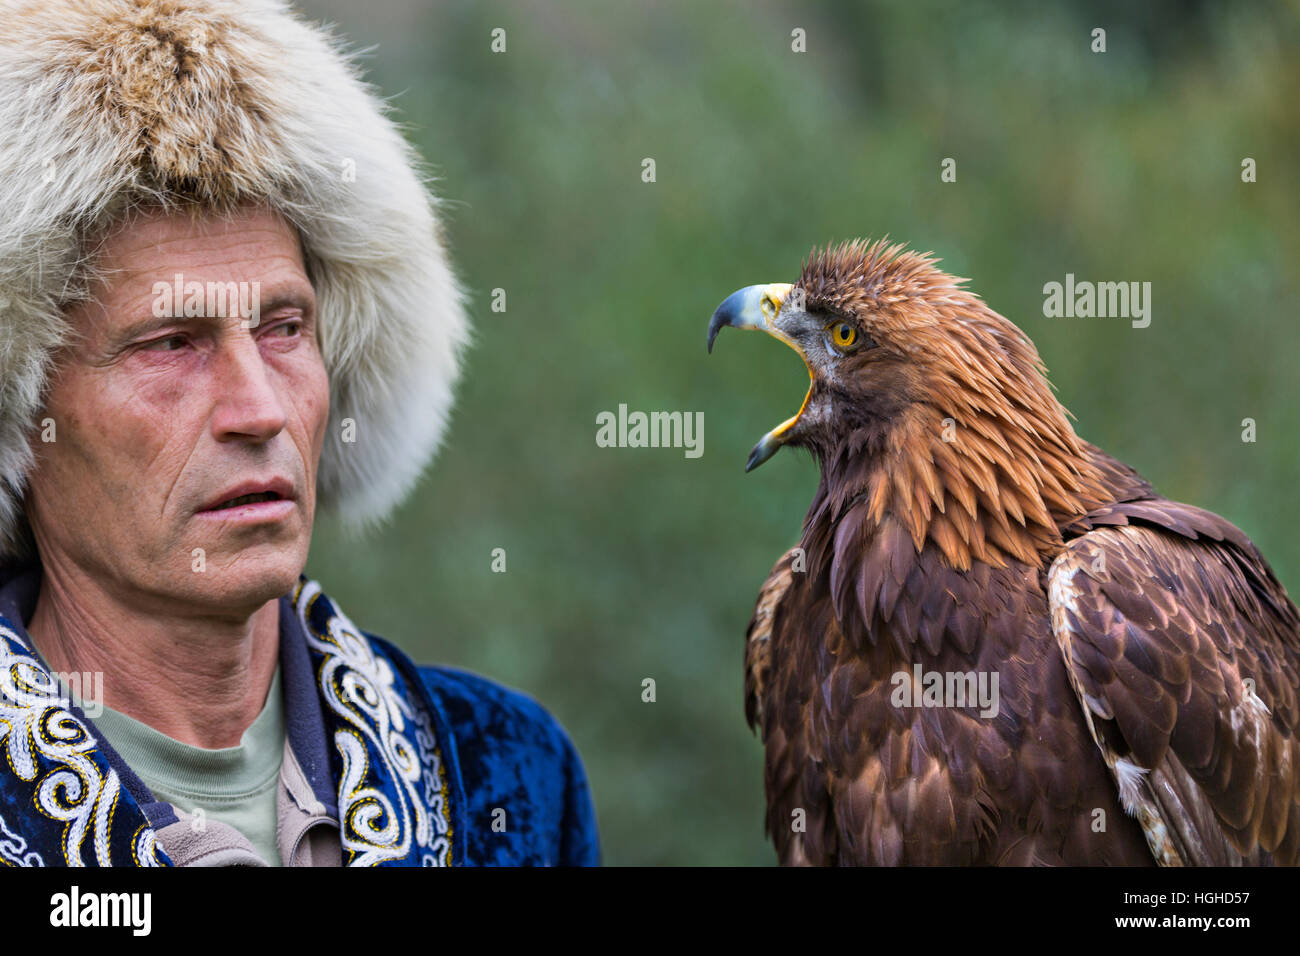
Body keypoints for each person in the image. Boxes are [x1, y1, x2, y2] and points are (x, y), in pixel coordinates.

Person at [0, 0, 598, 867]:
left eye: (285, 328)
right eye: (171, 344)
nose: (261, 409)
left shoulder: (510, 774)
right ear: (22, 420)